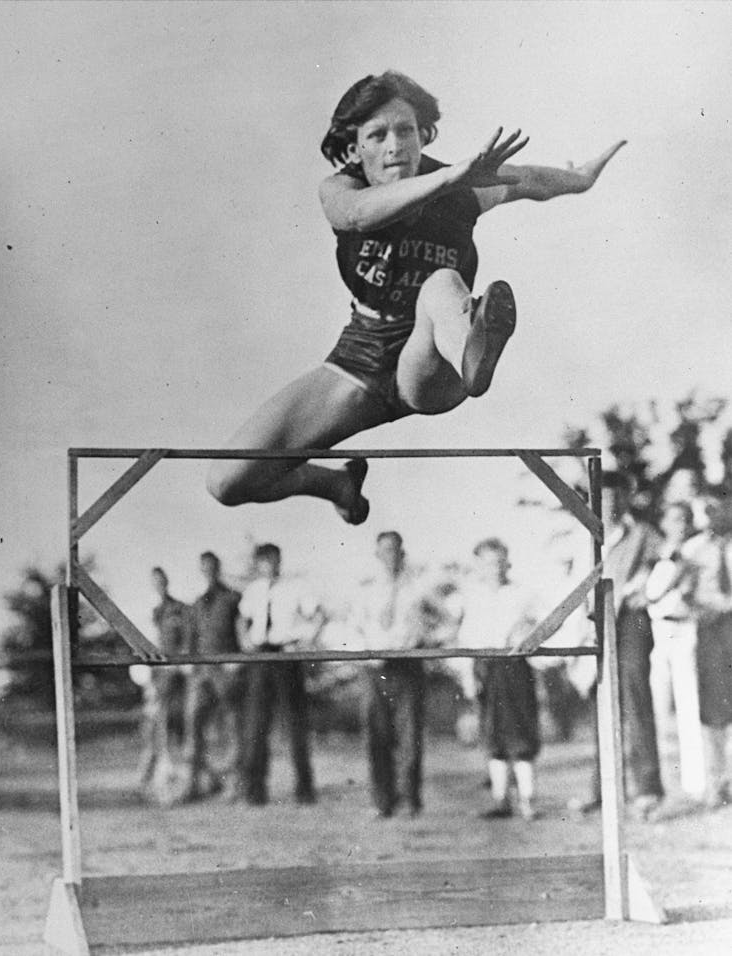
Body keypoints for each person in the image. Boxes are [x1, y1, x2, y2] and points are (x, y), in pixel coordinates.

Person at [206, 70, 626, 524]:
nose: (395, 145)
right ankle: (334, 484)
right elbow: (359, 216)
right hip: (359, 357)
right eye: (378, 134)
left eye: (406, 130)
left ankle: (472, 345)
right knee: (226, 481)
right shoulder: (342, 188)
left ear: (423, 135)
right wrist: (448, 180)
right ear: (355, 147)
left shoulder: (467, 186)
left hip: (430, 361)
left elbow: (530, 180)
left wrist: (579, 178)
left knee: (441, 283)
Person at [454, 538, 542, 821]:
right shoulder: (472, 596)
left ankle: (527, 800)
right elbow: (466, 639)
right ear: (478, 566)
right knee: (493, 736)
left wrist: (526, 632)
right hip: (485, 667)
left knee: (521, 735)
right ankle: (500, 799)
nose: (494, 568)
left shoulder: (522, 594)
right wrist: (469, 675)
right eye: (487, 563)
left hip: (515, 667)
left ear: (508, 562)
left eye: (498, 561)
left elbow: (539, 624)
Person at [597, 471, 664, 818]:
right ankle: (602, 790)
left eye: (615, 496)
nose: (609, 503)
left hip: (631, 624)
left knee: (634, 697)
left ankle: (647, 790)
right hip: (596, 623)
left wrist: (641, 588)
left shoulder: (642, 533)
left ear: (627, 496)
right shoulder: (590, 535)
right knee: (600, 704)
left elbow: (664, 564)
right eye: (603, 496)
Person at [355, 531, 434, 818]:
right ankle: (381, 802)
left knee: (410, 736)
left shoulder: (419, 587)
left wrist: (424, 638)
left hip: (408, 666)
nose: (390, 556)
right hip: (375, 669)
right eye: (384, 551)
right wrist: (367, 652)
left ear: (403, 553)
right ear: (377, 555)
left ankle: (412, 801)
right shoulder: (365, 589)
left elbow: (446, 618)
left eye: (395, 550)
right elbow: (354, 626)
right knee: (377, 737)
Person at [238, 543, 321, 806]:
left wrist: (305, 639)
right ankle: (255, 791)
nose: (269, 565)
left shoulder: (295, 587)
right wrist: (245, 640)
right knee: (256, 724)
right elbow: (241, 619)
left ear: (280, 561)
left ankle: (304, 790)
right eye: (264, 561)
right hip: (261, 658)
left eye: (273, 560)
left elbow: (317, 614)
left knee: (295, 725)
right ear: (258, 564)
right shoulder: (253, 590)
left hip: (286, 656)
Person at [645, 502, 705, 802]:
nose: (680, 525)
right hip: (657, 630)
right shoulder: (655, 550)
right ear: (664, 522)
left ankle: (694, 782)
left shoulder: (695, 551)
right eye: (674, 519)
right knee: (657, 705)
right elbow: (649, 593)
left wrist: (681, 566)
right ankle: (661, 782)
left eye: (685, 519)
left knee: (688, 703)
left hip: (684, 628)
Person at [684, 495, 732, 808]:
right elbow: (682, 592)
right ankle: (718, 783)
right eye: (706, 513)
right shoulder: (693, 551)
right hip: (712, 631)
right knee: (715, 710)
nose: (712, 518)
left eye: (717, 511)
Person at [184, 551, 243, 800]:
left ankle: (233, 784)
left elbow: (242, 632)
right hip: (201, 672)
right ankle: (195, 783)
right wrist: (191, 667)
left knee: (231, 727)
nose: (208, 571)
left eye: (212, 567)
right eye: (204, 567)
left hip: (226, 669)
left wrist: (237, 662)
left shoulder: (232, 598)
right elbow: (191, 639)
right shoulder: (197, 603)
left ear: (219, 568)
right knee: (193, 725)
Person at [137, 567, 191, 793]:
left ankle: (178, 780)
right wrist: (147, 679)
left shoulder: (177, 609)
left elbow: (184, 642)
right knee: (153, 727)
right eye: (155, 581)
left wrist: (179, 668)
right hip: (154, 680)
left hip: (174, 678)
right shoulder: (145, 611)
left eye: (162, 581)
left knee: (175, 725)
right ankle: (145, 780)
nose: (159, 585)